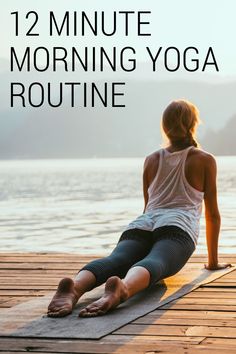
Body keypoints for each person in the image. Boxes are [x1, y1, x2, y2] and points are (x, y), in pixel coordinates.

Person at [47, 99, 232, 318]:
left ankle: (75, 286)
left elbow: (148, 206)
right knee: (156, 262)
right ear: (193, 125)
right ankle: (122, 288)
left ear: (165, 127)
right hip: (177, 228)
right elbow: (212, 215)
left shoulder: (151, 159)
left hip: (142, 224)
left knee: (114, 261)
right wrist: (212, 263)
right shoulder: (204, 160)